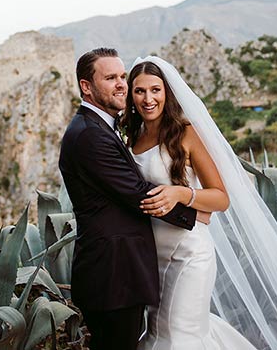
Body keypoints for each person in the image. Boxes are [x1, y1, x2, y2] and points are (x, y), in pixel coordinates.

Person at [124, 55, 277, 350]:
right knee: (158, 334)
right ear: (131, 95)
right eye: (140, 91)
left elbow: (221, 197)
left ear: (167, 93)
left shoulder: (186, 133)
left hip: (188, 254)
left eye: (155, 90)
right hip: (151, 257)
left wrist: (181, 194)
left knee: (179, 337)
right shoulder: (132, 137)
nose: (148, 99)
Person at [59, 47, 198, 350]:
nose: (121, 83)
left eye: (122, 76)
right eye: (110, 78)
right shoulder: (89, 135)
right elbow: (136, 193)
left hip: (121, 273)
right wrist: (194, 212)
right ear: (87, 87)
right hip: (113, 275)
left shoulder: (102, 128)